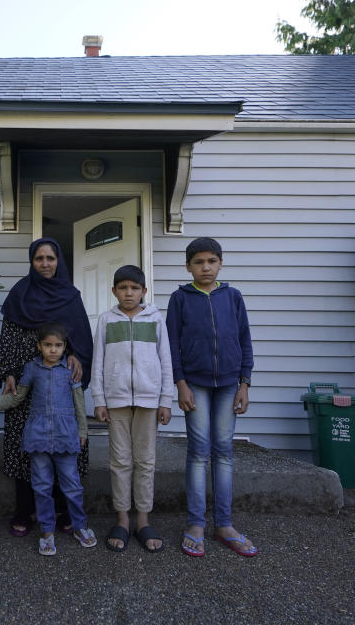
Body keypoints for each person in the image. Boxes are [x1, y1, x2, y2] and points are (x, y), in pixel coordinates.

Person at [166, 237, 258, 558]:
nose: (205, 267)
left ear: (220, 263)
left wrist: (245, 382)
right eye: (198, 262)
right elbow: (172, 345)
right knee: (198, 451)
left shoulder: (232, 297)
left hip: (230, 385)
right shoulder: (180, 299)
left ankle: (224, 524)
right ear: (188, 266)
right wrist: (180, 383)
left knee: (224, 452)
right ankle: (195, 523)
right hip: (196, 384)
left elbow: (244, 339)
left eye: (211, 261)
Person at [0, 238, 93, 536]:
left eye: (51, 258)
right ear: (32, 261)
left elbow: (81, 335)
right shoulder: (19, 294)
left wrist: (76, 354)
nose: (45, 264)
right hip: (27, 385)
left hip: (61, 387)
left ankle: (64, 509)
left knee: (64, 447)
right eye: (39, 258)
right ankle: (25, 511)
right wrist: (11, 372)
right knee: (27, 447)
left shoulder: (70, 296)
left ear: (58, 261)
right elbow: (9, 336)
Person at [0, 322, 96, 555]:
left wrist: (82, 432)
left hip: (65, 436)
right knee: (42, 486)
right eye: (48, 345)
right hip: (39, 436)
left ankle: (79, 525)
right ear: (39, 346)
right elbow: (17, 398)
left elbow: (79, 404)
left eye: (58, 345)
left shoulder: (70, 370)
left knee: (72, 485)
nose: (53, 350)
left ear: (65, 347)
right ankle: (47, 531)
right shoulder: (32, 368)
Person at [90, 265, 173, 553]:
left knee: (145, 461)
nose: (128, 293)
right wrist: (99, 399)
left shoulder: (156, 319)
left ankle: (143, 520)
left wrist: (166, 400)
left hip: (150, 401)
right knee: (120, 461)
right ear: (114, 291)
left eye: (134, 288)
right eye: (122, 288)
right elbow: (97, 361)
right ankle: (122, 519)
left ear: (144, 292)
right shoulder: (106, 320)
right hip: (117, 401)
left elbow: (165, 361)